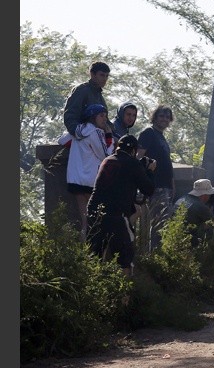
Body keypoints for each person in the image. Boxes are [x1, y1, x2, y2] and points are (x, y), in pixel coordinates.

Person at [86, 135, 156, 277]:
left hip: (94, 211)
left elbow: (121, 177)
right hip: (115, 215)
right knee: (125, 258)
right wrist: (149, 171)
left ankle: (92, 291)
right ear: (134, 151)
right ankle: (123, 295)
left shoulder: (107, 160)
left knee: (93, 256)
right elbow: (148, 189)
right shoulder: (132, 164)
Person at [62, 103, 115, 241]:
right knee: (95, 220)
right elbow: (105, 155)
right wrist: (110, 138)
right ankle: (91, 252)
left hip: (75, 179)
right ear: (93, 117)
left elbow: (62, 140)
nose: (105, 119)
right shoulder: (96, 133)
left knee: (84, 219)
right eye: (102, 116)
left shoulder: (78, 129)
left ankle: (82, 252)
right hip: (90, 180)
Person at [137, 105, 176, 251]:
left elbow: (166, 163)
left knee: (163, 223)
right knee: (158, 224)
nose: (164, 119)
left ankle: (157, 256)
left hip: (165, 186)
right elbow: (139, 158)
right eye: (161, 116)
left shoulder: (161, 137)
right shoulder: (149, 133)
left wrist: (172, 184)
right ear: (155, 117)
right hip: (154, 184)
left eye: (167, 117)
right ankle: (153, 256)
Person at [62, 61, 112, 137]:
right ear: (92, 74)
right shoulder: (82, 90)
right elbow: (70, 117)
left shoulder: (99, 96)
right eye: (102, 75)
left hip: (97, 138)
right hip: (83, 140)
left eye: (106, 76)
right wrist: (82, 134)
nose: (105, 79)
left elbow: (105, 122)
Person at [173, 179, 214, 248]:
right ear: (204, 195)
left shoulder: (182, 198)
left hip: (175, 237)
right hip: (189, 241)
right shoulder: (200, 207)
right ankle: (206, 257)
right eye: (209, 194)